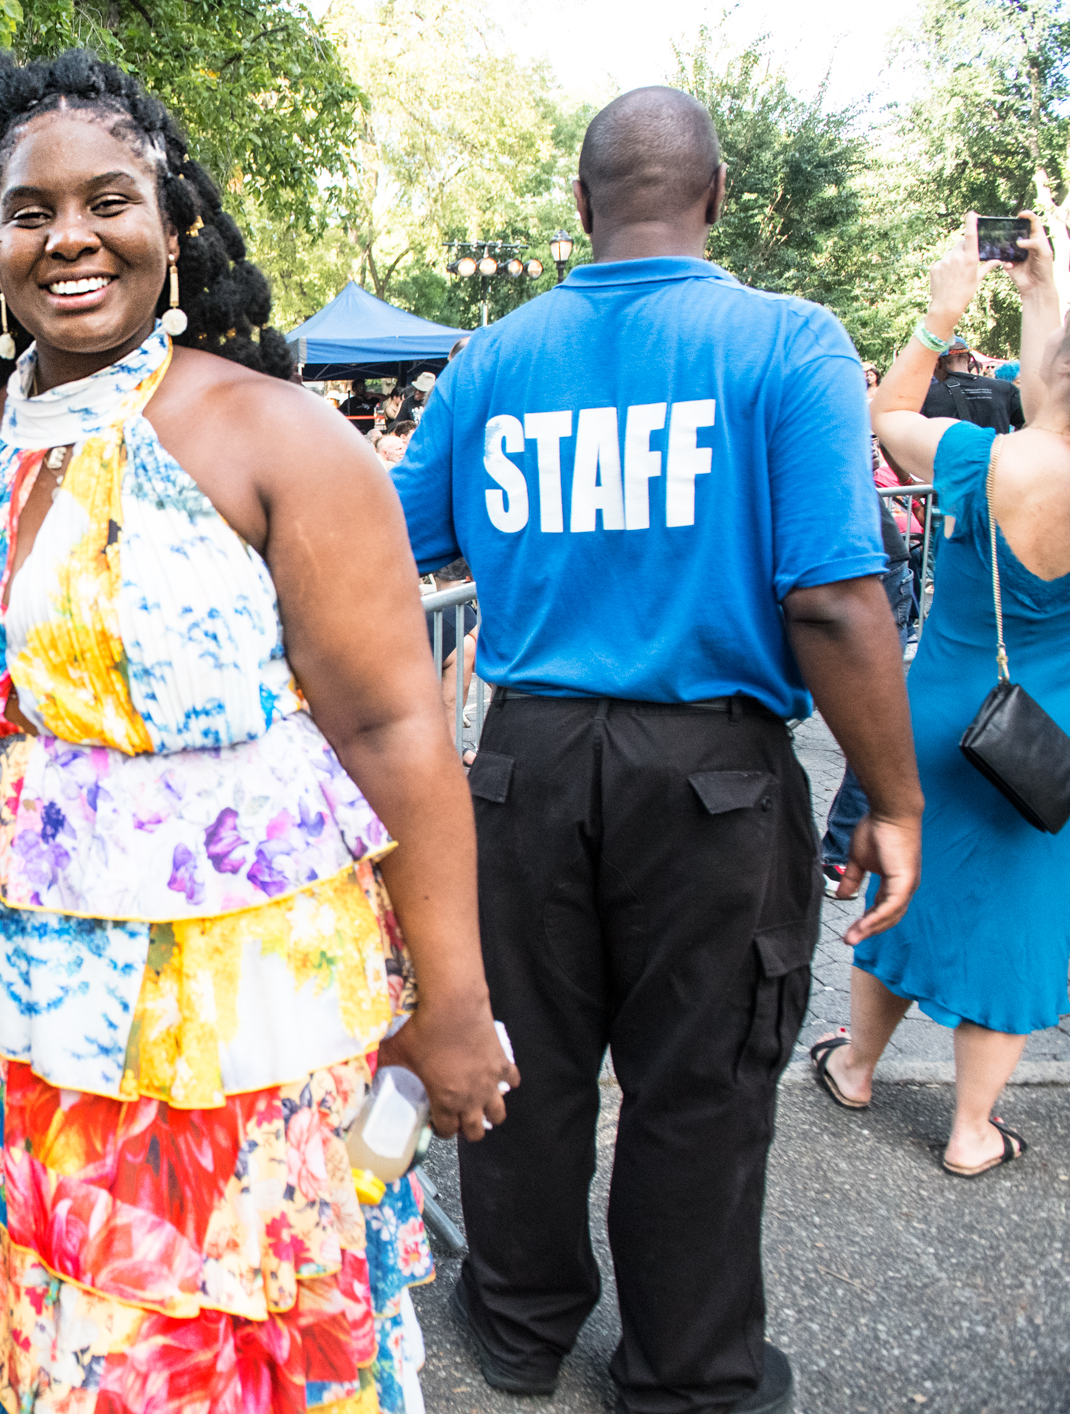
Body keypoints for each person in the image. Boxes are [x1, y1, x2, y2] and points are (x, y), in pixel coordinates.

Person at [0, 53, 512, 1414]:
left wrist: (454, 1005)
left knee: (224, 1333)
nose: (71, 235)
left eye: (110, 199)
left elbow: (393, 727)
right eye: (30, 211)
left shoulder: (273, 434)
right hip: (18, 1014)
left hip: (243, 1017)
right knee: (54, 1329)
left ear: (174, 224)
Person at [393, 86, 922, 1414]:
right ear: (718, 196)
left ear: (580, 205)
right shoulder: (787, 344)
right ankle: (683, 1372)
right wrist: (894, 794)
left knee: (528, 1050)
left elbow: (388, 546)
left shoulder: (493, 358)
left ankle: (516, 1323)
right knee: (698, 1076)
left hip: (523, 760)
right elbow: (833, 597)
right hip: (711, 771)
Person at [809, 214, 1070, 1178]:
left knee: (905, 886)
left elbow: (880, 419)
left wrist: (939, 315)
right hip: (1048, 739)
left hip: (947, 709)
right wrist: (1045, 291)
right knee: (1019, 917)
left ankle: (857, 1066)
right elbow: (1053, 381)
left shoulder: (974, 458)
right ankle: (970, 1131)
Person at [921, 333, 1023, 431]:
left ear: (938, 364)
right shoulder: (1004, 389)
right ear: (969, 359)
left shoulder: (927, 396)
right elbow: (1030, 424)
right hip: (995, 448)